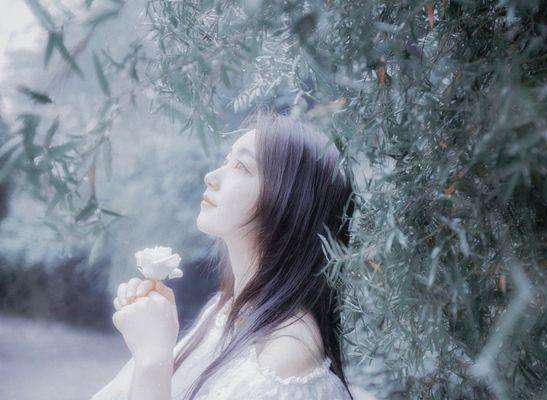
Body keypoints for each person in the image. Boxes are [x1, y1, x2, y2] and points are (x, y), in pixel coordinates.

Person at [91, 113, 374, 400]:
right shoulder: (226, 309)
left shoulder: (287, 354)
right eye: (227, 160)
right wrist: (153, 330)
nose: (211, 177)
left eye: (241, 166)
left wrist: (153, 358)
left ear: (288, 202)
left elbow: (153, 369)